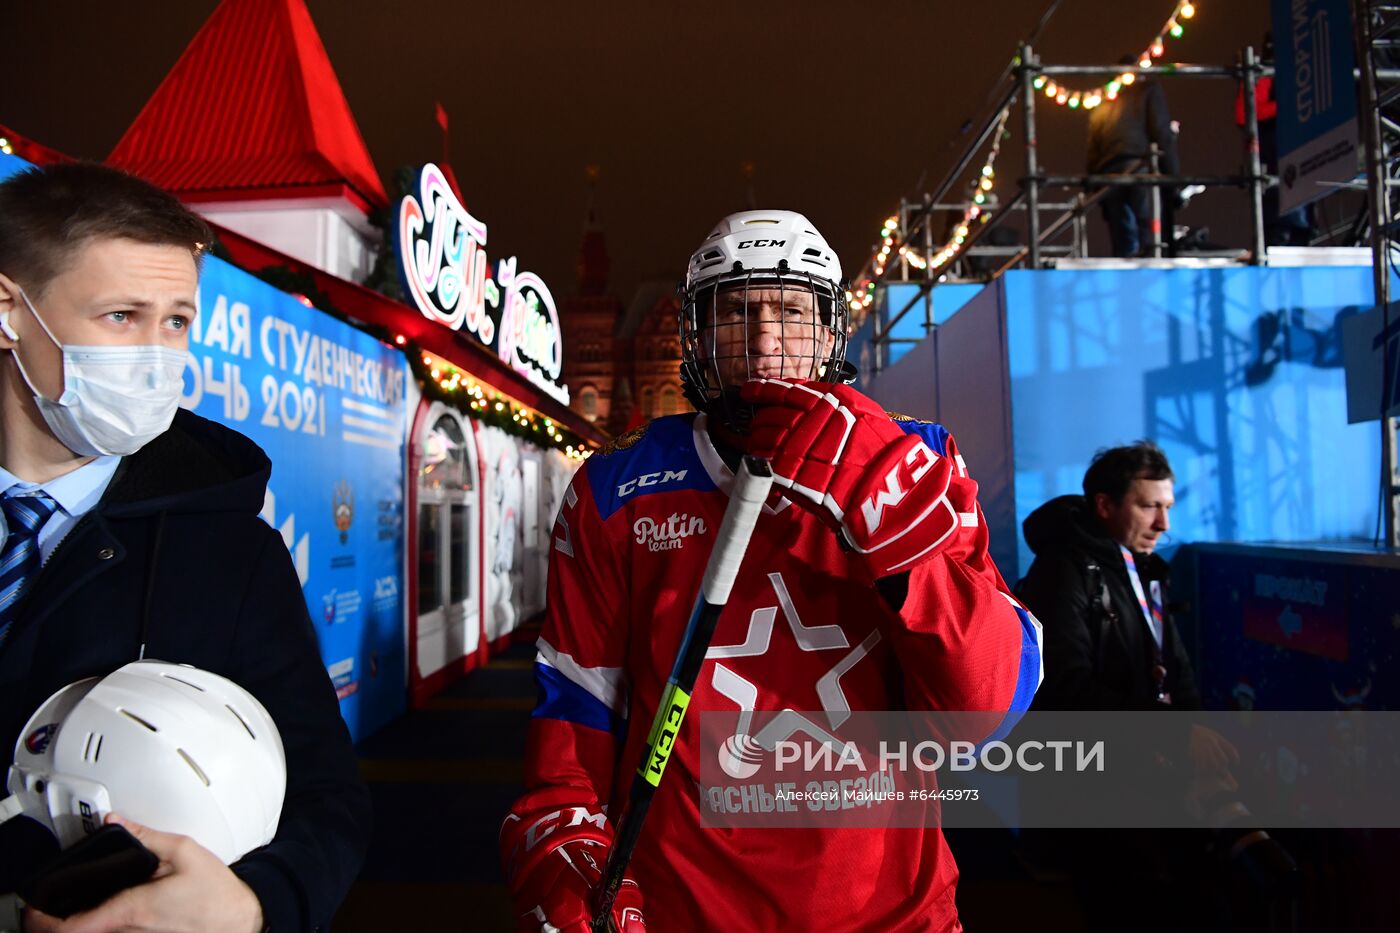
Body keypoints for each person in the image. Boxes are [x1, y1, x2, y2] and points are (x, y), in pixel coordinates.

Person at [500, 210, 1042, 931]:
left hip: (892, 913)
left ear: (827, 333)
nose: (762, 341)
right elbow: (574, 715)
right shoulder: (616, 488)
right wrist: (567, 848)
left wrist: (901, 543)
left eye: (788, 311)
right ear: (697, 336)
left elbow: (987, 711)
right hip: (682, 910)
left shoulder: (917, 460)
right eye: (736, 313)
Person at [0, 162, 370, 932]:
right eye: (121, 315)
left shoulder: (231, 552)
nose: (156, 356)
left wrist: (255, 902)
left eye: (176, 321)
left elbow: (327, 797)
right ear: (9, 311)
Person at [1016, 441, 1197, 711]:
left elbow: (1177, 668)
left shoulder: (1147, 567)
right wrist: (1175, 733)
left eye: (1167, 507)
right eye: (1149, 506)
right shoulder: (1061, 570)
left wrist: (1193, 724)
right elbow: (1066, 687)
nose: (1163, 524)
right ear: (1104, 505)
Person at [1087, 57, 1181, 258]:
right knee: (1149, 237)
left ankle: (1128, 282)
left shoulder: (1103, 101)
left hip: (1108, 174)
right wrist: (1174, 180)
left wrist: (1093, 186)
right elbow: (1161, 133)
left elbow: (1092, 150)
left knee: (1124, 245)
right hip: (1140, 166)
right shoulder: (1147, 90)